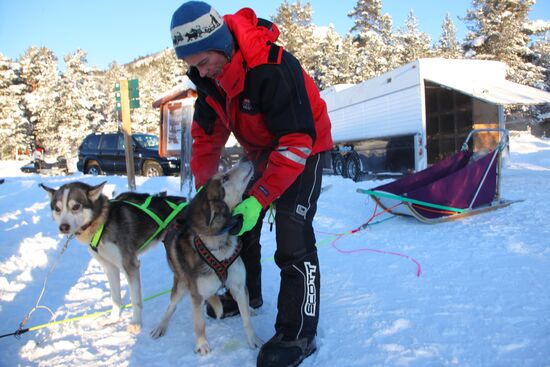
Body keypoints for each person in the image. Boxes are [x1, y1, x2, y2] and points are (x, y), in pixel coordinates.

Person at [170, 2, 333, 366]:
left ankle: (298, 332)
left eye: (202, 61)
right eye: (192, 65)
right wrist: (205, 190)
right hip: (261, 153)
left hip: (306, 147)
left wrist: (260, 196)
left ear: (219, 43)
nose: (199, 71)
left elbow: (295, 141)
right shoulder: (210, 81)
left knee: (293, 232)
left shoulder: (270, 67)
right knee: (241, 223)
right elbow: (207, 138)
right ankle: (248, 292)